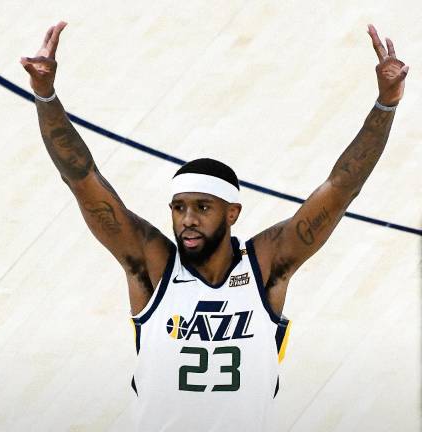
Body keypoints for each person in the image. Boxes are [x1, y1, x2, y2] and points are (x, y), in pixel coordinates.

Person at [20, 21, 408, 431]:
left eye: (202, 207)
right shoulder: (153, 267)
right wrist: (45, 96)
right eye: (179, 208)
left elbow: (342, 187)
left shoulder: (264, 267)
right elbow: (82, 180)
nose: (187, 219)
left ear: (232, 212)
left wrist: (386, 104)